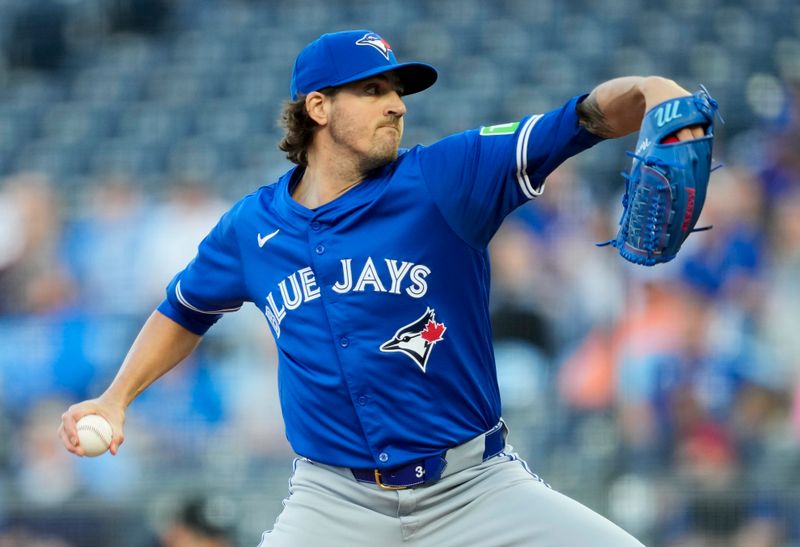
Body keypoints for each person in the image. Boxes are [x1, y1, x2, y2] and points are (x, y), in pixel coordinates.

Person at [59, 29, 707, 546]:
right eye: (371, 90)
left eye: (397, 90)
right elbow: (184, 309)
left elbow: (585, 117)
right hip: (332, 502)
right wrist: (117, 397)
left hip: (475, 488)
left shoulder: (446, 177)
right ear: (317, 107)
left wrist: (653, 89)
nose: (396, 103)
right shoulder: (250, 228)